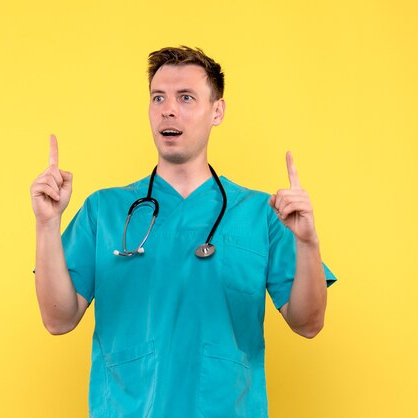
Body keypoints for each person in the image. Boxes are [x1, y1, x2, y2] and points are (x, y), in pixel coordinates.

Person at [30, 46, 337, 418]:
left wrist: (308, 243)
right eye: (158, 98)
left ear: (217, 111)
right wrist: (47, 225)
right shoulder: (104, 211)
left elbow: (308, 323)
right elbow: (58, 319)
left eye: (186, 97)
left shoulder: (262, 214)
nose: (168, 109)